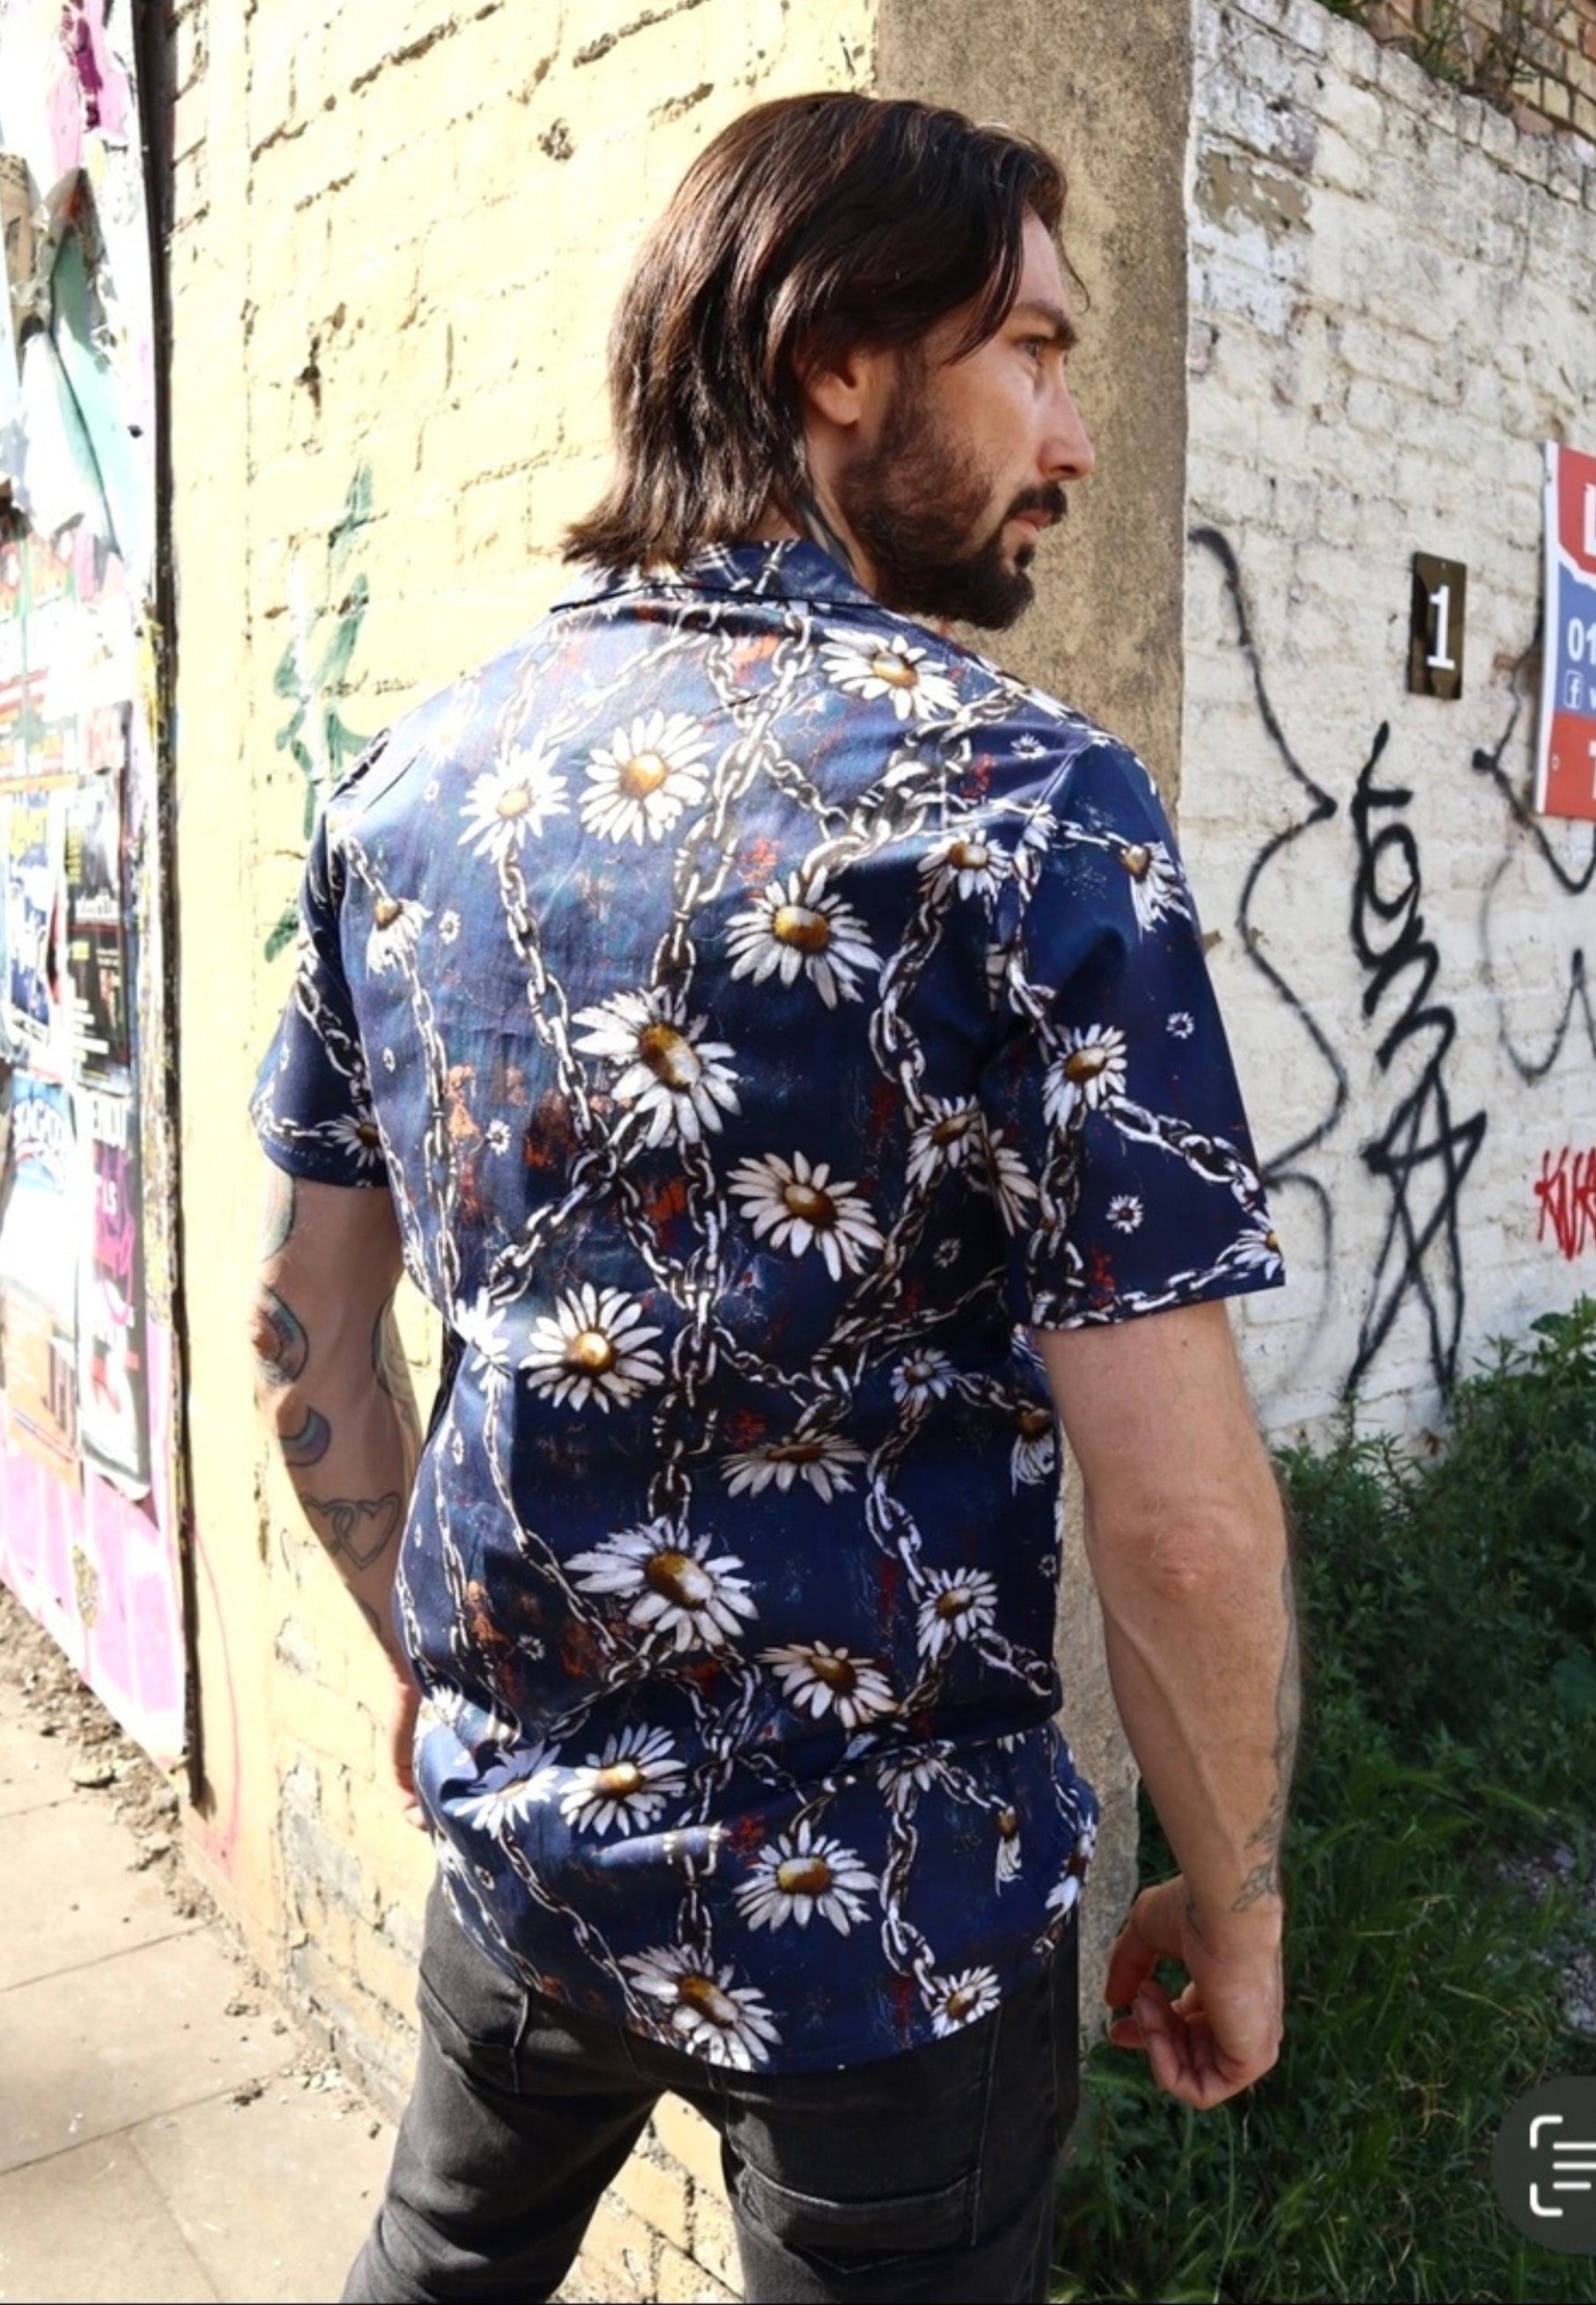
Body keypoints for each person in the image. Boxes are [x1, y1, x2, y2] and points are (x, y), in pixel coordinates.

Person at [250, 91, 1297, 2305]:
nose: (1074, 433)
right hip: (893, 1948)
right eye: (1031, 348)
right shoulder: (1027, 811)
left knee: (430, 2262)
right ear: (839, 359)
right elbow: (1182, 1514)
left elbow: (305, 1352)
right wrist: (1236, 1886)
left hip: (520, 1870)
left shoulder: (407, 792)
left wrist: (476, 1723)